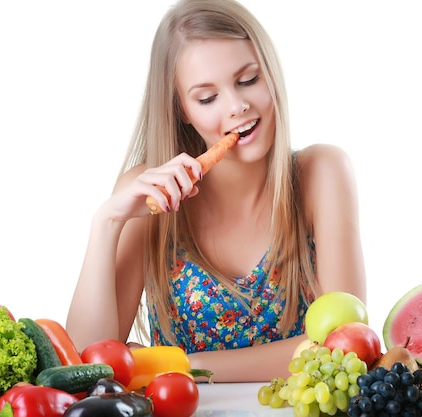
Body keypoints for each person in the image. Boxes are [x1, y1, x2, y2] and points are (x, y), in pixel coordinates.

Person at [66, 0, 366, 383]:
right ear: (181, 109)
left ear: (272, 74)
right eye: (207, 98)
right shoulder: (150, 193)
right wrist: (107, 222)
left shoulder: (322, 174)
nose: (238, 106)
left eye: (249, 80)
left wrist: (168, 363)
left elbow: (347, 344)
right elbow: (85, 365)